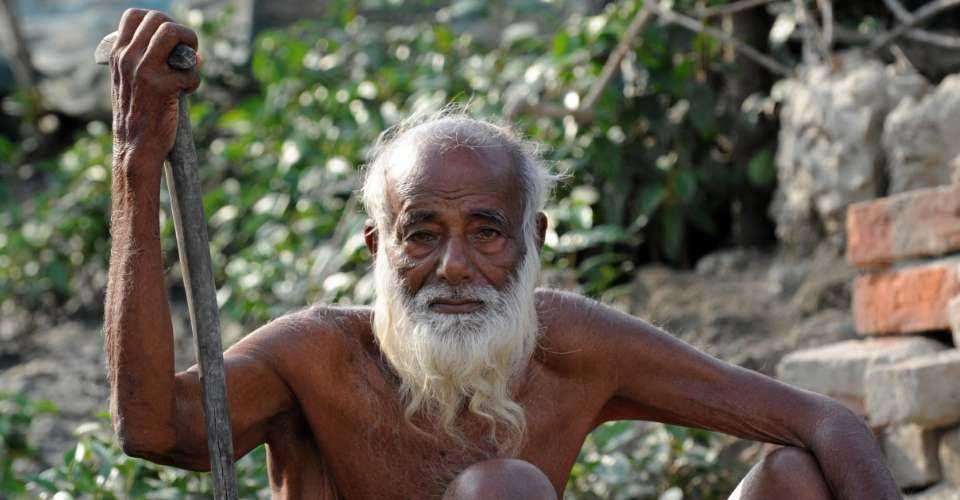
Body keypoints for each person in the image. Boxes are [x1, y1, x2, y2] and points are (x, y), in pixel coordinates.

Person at [103, 9, 899, 500]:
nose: (454, 267)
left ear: (532, 243)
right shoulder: (317, 358)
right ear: (378, 247)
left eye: (486, 234)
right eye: (421, 235)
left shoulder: (570, 343)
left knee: (797, 480)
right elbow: (152, 429)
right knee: (503, 490)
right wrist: (137, 168)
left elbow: (825, 423)